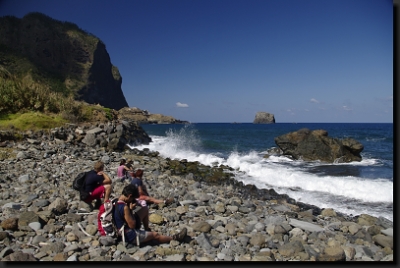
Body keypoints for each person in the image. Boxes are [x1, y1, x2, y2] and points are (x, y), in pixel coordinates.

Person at [114, 184, 187, 246]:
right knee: (156, 235)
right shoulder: (125, 207)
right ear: (130, 196)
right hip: (127, 234)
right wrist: (131, 209)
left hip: (120, 225)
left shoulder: (115, 201)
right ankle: (175, 238)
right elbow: (132, 225)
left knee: (145, 209)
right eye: (132, 198)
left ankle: (147, 230)